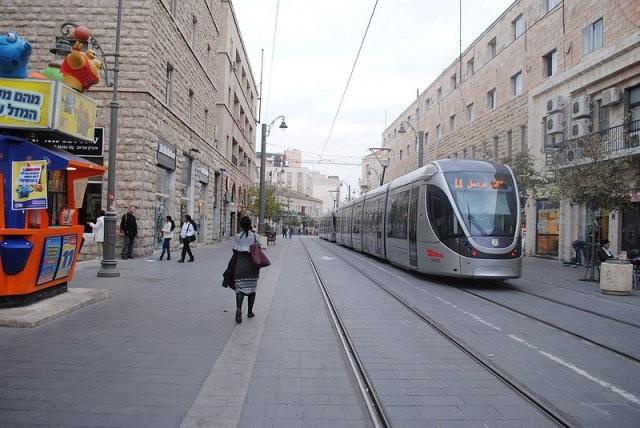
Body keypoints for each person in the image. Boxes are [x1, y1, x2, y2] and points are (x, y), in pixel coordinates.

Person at [231, 216, 261, 324]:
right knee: (252, 290)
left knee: (240, 289)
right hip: (252, 266)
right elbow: (258, 249)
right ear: (250, 224)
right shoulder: (256, 236)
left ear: (241, 225)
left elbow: (234, 251)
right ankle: (249, 312)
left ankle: (239, 308)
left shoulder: (237, 236)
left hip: (240, 265)